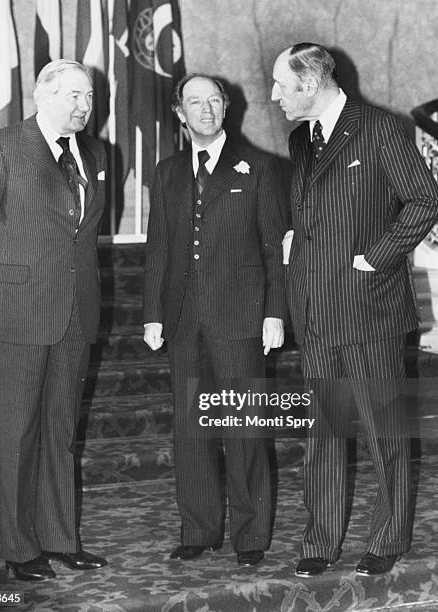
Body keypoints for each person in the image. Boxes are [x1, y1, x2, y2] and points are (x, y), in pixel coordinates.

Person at [271, 43, 438, 577]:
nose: (273, 95)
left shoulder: (380, 128)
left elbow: (425, 199)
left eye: (281, 85)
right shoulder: (302, 140)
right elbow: (317, 208)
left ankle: (390, 538)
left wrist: (377, 259)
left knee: (383, 430)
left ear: (312, 84)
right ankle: (320, 541)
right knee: (323, 432)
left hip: (369, 309)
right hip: (316, 311)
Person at [0, 59, 108, 581]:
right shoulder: (4, 146)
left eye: (88, 97)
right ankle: (20, 551)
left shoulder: (93, 153)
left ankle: (61, 540)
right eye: (73, 95)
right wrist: (4, 288)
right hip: (20, 315)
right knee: (19, 433)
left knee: (60, 432)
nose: (83, 106)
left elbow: (80, 235)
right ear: (42, 95)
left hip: (75, 315)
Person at [143, 73, 287, 566]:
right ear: (179, 114)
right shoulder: (166, 173)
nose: (205, 110)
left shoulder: (262, 168)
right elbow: (158, 249)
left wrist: (274, 312)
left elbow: (274, 247)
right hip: (185, 323)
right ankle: (199, 529)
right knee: (192, 428)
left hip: (241, 319)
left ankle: (251, 536)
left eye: (213, 101)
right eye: (194, 103)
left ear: (226, 108)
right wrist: (153, 316)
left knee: (244, 429)